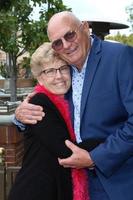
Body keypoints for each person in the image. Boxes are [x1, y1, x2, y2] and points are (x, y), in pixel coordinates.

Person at [14, 11, 133, 200]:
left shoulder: (119, 57)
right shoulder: (65, 68)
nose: (66, 45)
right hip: (75, 186)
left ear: (85, 28)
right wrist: (19, 116)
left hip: (116, 183)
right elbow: (47, 105)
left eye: (70, 35)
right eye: (58, 43)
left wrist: (96, 158)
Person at [9, 42, 94, 200]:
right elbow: (66, 151)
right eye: (49, 71)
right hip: (36, 192)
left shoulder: (73, 101)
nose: (59, 76)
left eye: (63, 68)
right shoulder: (38, 102)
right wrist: (111, 140)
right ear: (39, 79)